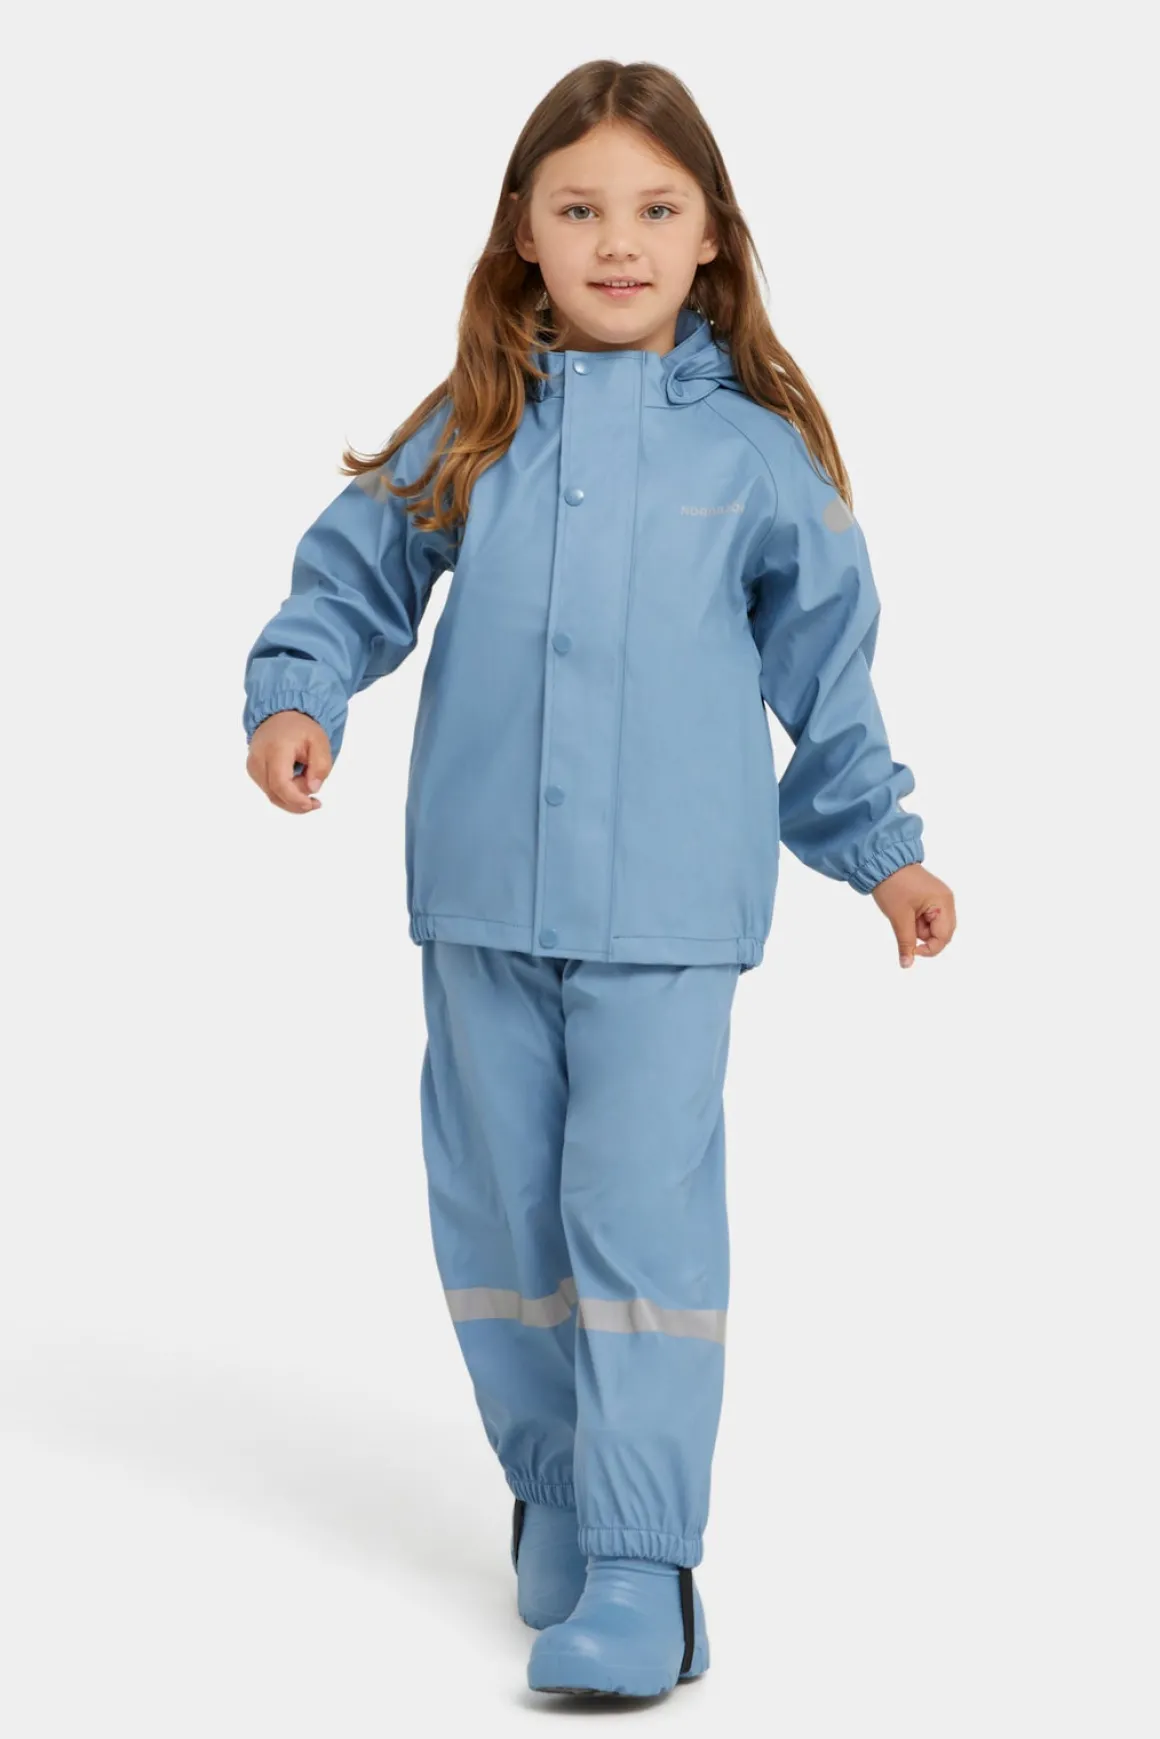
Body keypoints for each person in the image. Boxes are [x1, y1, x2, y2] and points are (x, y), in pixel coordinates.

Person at [241, 59, 957, 1700]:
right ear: (524, 231)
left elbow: (829, 675)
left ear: (711, 236)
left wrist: (885, 851)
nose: (616, 241)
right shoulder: (475, 426)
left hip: (668, 917)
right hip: (481, 895)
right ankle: (555, 1490)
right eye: (580, 209)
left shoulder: (757, 458)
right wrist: (299, 692)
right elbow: (356, 572)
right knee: (498, 1211)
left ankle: (645, 1561)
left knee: (633, 1217)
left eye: (653, 208)